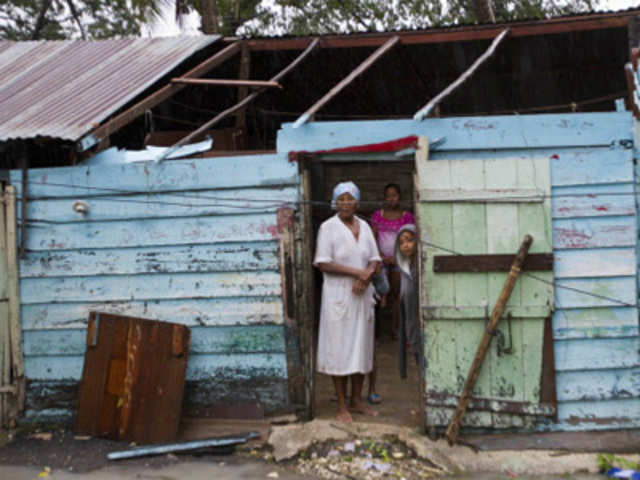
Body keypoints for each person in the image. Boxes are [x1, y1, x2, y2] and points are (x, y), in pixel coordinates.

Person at [314, 181, 381, 423]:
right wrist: (357, 273)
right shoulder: (327, 228)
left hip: (362, 295)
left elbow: (375, 259)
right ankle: (341, 404)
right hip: (339, 295)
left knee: (360, 348)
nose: (345, 203)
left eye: (349, 198)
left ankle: (357, 400)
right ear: (335, 202)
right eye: (340, 199)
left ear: (357, 202)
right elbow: (323, 263)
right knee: (340, 349)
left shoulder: (364, 226)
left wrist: (368, 274)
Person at [370, 183, 415, 339]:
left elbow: (410, 238)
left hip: (399, 260)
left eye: (394, 195)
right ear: (385, 197)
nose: (391, 199)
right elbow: (372, 237)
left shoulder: (407, 216)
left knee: (396, 296)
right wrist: (381, 256)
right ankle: (381, 331)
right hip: (380, 260)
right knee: (380, 294)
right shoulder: (377, 216)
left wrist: (396, 257)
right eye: (388, 196)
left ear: (399, 197)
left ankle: (396, 330)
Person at [394, 224, 421, 379]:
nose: (406, 245)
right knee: (418, 356)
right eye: (401, 242)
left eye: (410, 240)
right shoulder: (405, 268)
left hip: (421, 319)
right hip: (412, 320)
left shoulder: (419, 265)